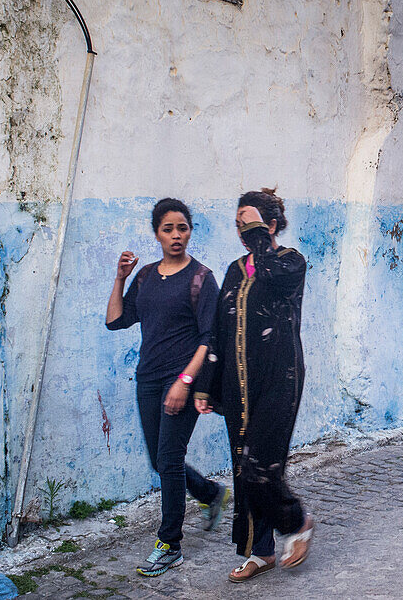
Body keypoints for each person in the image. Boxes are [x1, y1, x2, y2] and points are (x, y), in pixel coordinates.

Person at [106, 198, 230, 577]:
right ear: (156, 233)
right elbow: (115, 321)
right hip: (148, 379)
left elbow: (210, 339)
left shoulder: (201, 278)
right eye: (168, 229)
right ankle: (211, 494)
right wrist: (120, 277)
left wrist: (185, 382)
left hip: (183, 381)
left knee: (170, 460)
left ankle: (170, 544)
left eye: (183, 228)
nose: (176, 236)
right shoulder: (144, 277)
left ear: (190, 231)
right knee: (160, 462)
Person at [194, 188, 312, 583]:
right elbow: (220, 329)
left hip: (280, 379)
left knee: (261, 467)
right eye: (239, 224)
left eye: (250, 223)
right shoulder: (233, 270)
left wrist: (261, 237)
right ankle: (259, 551)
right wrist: (207, 387)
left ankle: (297, 522)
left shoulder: (290, 262)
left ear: (271, 225)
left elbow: (273, 276)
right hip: (238, 385)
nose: (243, 231)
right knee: (243, 470)